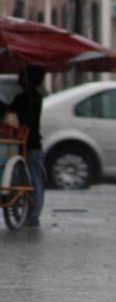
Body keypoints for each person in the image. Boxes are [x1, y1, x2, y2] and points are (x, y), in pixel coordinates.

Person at [9, 65, 46, 228]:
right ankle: (32, 215)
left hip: (27, 144)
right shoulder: (36, 97)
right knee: (35, 180)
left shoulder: (24, 99)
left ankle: (31, 216)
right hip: (32, 144)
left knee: (31, 180)